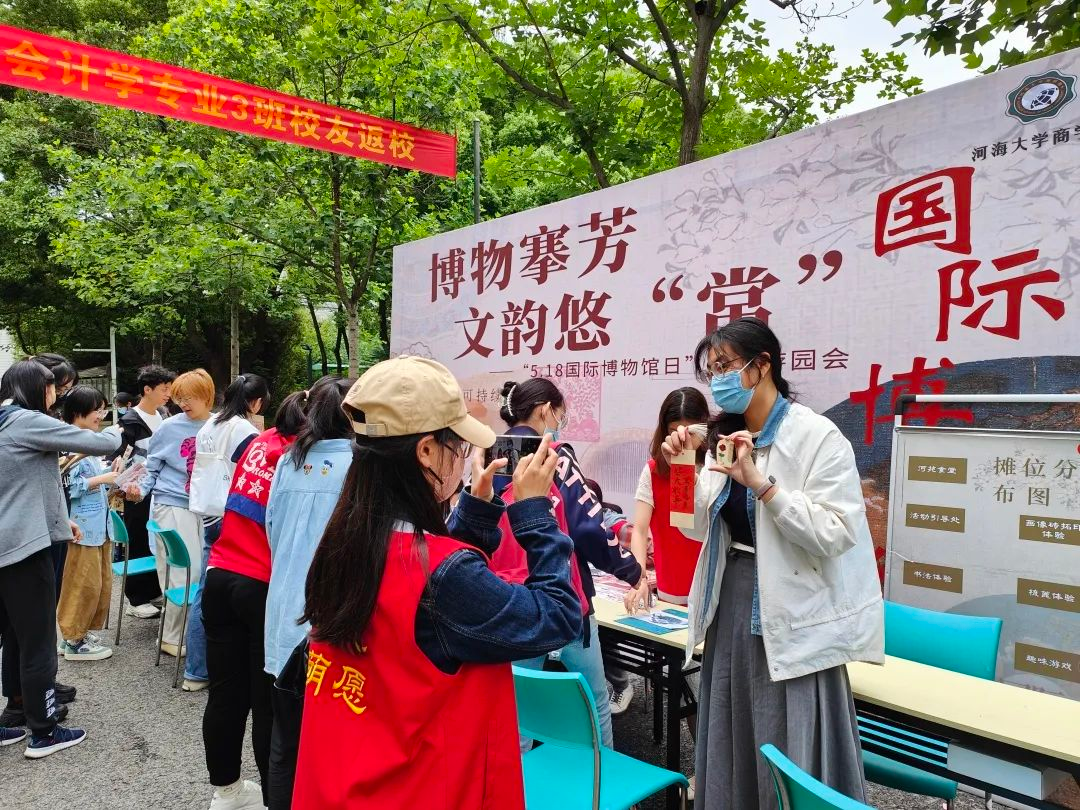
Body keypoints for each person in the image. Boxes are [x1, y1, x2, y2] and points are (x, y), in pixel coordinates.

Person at [292, 356, 581, 809]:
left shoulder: (345, 542)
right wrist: (534, 514)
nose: (463, 459)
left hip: (346, 786)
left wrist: (476, 511)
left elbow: (435, 599)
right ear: (426, 451)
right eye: (458, 446)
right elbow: (558, 617)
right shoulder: (443, 577)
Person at [662, 317, 883, 808]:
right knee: (732, 733)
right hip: (732, 604)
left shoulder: (818, 436)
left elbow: (837, 532)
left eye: (725, 366)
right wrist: (681, 465)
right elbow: (691, 526)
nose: (717, 380)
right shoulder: (726, 437)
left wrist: (763, 486)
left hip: (794, 614)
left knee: (786, 740)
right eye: (711, 370)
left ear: (762, 366)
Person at [491, 378, 642, 749]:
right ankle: (603, 780)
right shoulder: (554, 455)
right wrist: (631, 570)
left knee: (519, 707)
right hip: (563, 599)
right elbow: (588, 528)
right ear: (546, 410)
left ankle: (521, 782)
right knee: (594, 700)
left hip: (509, 600)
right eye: (560, 414)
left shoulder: (492, 454)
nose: (561, 422)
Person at [0, 360, 120, 758]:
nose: (58, 394)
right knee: (38, 642)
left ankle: (16, 712)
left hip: (9, 544)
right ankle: (44, 732)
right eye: (54, 387)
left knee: (15, 637)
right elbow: (102, 444)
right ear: (36, 388)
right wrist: (116, 427)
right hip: (25, 549)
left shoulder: (3, 421)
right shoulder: (25, 420)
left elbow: (23, 485)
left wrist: (58, 520)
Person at [200, 388, 308, 810]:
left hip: (219, 574)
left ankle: (226, 792)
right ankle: (271, 797)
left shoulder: (261, 442)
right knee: (267, 702)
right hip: (260, 585)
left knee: (225, 694)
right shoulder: (301, 456)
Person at [263, 377, 354, 808]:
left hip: (283, 616)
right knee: (335, 748)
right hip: (332, 621)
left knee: (286, 743)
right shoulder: (362, 465)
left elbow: (272, 529)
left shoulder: (290, 458)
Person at [183, 374, 267, 692]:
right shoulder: (245, 431)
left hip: (208, 512)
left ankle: (196, 670)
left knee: (206, 590)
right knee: (239, 589)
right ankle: (217, 666)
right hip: (231, 515)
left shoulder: (211, 424)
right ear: (255, 403)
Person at [127, 369, 214, 658]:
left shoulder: (220, 426)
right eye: (179, 398)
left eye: (189, 398)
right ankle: (172, 637)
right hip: (173, 505)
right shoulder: (169, 427)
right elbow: (151, 467)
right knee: (184, 572)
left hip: (206, 508)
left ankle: (186, 633)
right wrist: (139, 490)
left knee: (198, 574)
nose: (183, 404)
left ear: (207, 396)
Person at [625, 387, 711, 611]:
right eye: (673, 431)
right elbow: (640, 530)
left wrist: (685, 472)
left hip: (709, 594)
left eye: (690, 432)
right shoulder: (653, 472)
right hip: (668, 592)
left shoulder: (715, 469)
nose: (681, 439)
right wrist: (639, 578)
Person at [57, 386, 119, 662]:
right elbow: (67, 486)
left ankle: (77, 634)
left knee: (96, 583)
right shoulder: (69, 443)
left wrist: (111, 474)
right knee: (82, 584)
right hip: (80, 528)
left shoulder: (86, 442)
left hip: (96, 526)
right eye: (97, 410)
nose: (100, 416)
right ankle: (74, 640)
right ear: (79, 411)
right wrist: (104, 479)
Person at [111, 365, 176, 619]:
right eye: (164, 389)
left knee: (154, 540)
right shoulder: (129, 422)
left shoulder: (164, 416)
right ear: (147, 390)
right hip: (135, 492)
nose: (168, 394)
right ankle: (135, 599)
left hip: (160, 490)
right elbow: (119, 460)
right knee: (137, 539)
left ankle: (153, 590)